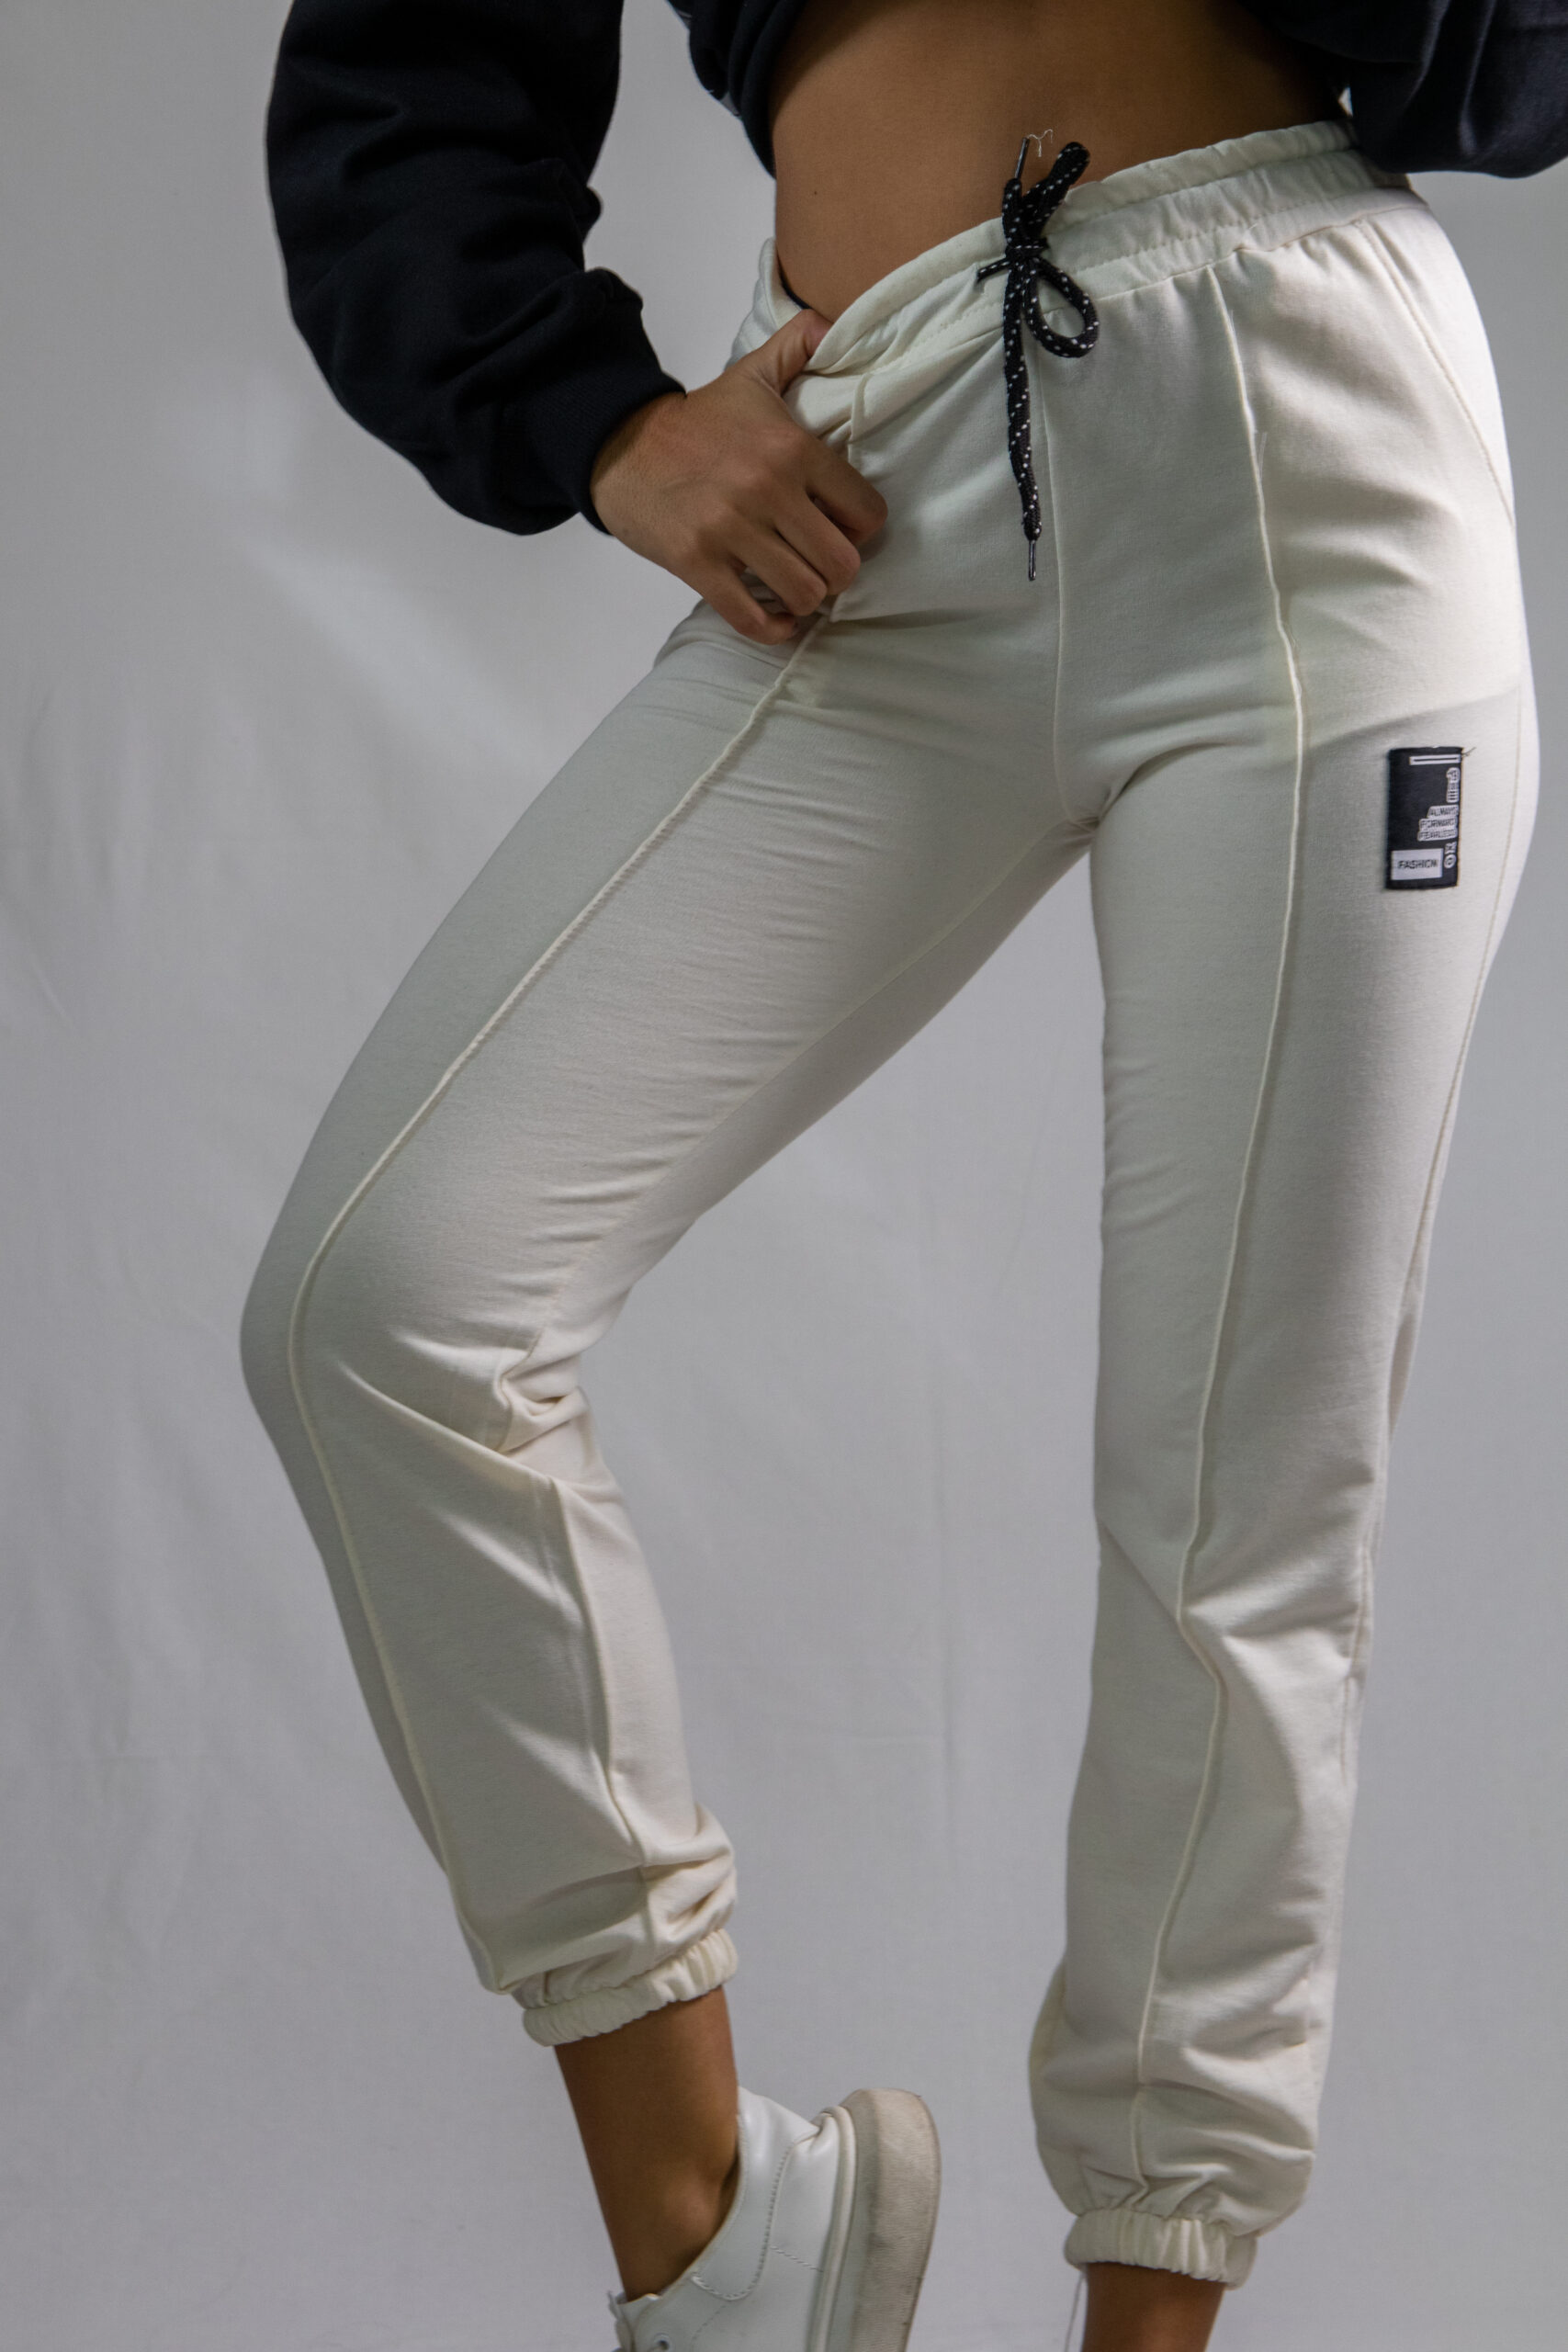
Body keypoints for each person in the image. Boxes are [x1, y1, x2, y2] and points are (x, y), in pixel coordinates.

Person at [243, 5, 1565, 2347]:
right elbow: (409, 62)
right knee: (386, 1295)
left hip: (1314, 462)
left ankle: (1145, 2310)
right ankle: (720, 2248)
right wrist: (597, 422)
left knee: (1238, 1513)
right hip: (877, 477)